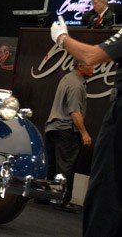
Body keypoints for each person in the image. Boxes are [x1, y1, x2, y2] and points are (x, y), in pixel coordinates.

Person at [51, 16, 122, 236]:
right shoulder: (74, 83)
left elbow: (91, 55)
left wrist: (62, 37)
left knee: (107, 187)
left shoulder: (71, 80)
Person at [44, 60, 93, 212]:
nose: (94, 68)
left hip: (53, 127)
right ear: (80, 67)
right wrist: (84, 133)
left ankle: (45, 195)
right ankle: (61, 199)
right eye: (90, 65)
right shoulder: (76, 85)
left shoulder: (66, 78)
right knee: (65, 166)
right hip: (66, 129)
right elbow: (75, 113)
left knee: (51, 165)